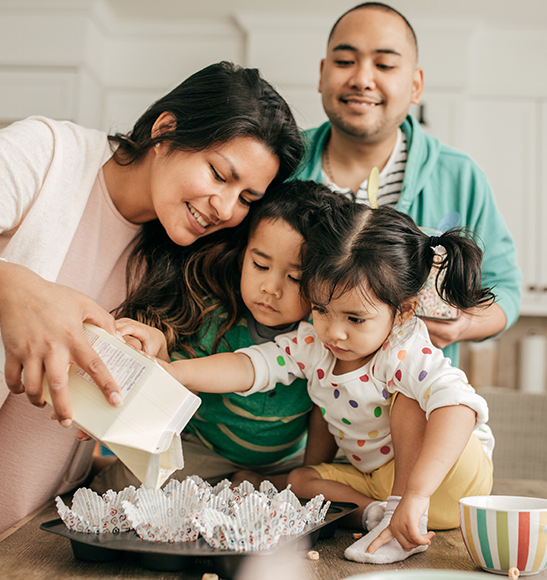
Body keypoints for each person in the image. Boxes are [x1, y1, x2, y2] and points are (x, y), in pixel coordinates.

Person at [0, 61, 303, 579]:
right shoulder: (45, 154)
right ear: (165, 130)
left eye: (247, 198)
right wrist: (8, 288)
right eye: (220, 174)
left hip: (25, 539)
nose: (224, 207)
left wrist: (147, 362)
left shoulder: (184, 257)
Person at [160, 203, 496, 565]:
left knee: (410, 397)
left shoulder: (404, 348)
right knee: (301, 483)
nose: (334, 332)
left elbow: (459, 406)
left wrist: (414, 496)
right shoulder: (313, 345)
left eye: (355, 318)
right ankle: (378, 518)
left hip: (446, 478)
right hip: (378, 482)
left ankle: (400, 514)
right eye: (321, 309)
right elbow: (250, 365)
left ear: (404, 311)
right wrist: (177, 373)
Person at [294, 1, 522, 361]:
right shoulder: (282, 160)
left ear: (416, 85)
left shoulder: (459, 175)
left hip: (412, 403)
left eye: (384, 65)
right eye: (344, 62)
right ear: (323, 74)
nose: (362, 79)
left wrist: (465, 324)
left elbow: (506, 289)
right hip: (290, 402)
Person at [90, 180, 351, 493]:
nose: (271, 288)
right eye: (260, 264)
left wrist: (311, 473)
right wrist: (155, 351)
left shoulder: (326, 336)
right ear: (244, 255)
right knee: (125, 487)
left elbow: (324, 413)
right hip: (205, 451)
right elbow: (173, 380)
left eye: (295, 277)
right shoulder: (216, 315)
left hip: (288, 461)